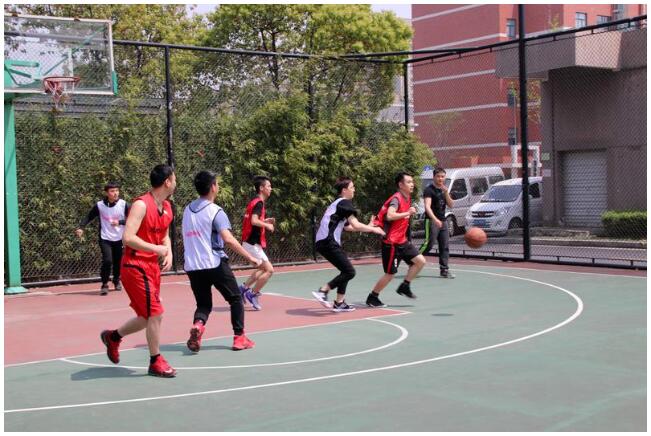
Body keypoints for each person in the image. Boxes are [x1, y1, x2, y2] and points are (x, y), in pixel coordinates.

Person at [99, 164, 177, 378]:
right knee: (156, 313)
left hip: (152, 267)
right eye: (174, 179)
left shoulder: (167, 207)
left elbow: (164, 234)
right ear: (167, 182)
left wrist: (168, 251)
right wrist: (156, 249)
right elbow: (128, 238)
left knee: (145, 317)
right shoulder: (141, 205)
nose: (176, 183)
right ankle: (155, 361)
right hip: (135, 266)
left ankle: (113, 337)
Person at [183, 170, 262, 354]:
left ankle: (198, 325)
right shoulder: (215, 211)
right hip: (214, 262)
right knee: (235, 298)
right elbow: (228, 239)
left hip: (193, 266)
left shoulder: (187, 210)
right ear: (213, 187)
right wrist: (250, 257)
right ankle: (239, 337)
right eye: (217, 183)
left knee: (203, 305)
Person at [312, 177, 385, 312]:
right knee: (350, 272)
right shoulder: (345, 202)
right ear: (344, 190)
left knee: (345, 271)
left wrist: (368, 226)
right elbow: (356, 224)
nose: (354, 190)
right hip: (328, 242)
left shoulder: (338, 204)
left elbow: (348, 227)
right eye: (352, 187)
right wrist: (374, 229)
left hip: (324, 242)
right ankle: (323, 290)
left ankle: (339, 303)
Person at [366, 172, 427, 308]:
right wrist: (408, 213)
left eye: (412, 182)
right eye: (409, 182)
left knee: (420, 261)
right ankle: (372, 297)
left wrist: (408, 212)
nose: (412, 184)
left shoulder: (407, 197)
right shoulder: (396, 199)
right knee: (390, 274)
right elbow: (390, 215)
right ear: (401, 185)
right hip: (391, 243)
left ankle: (405, 286)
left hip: (402, 241)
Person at [75, 182, 130, 295]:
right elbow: (89, 216)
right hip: (105, 238)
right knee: (107, 260)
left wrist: (120, 222)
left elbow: (133, 219)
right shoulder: (100, 205)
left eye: (117, 190)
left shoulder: (124, 204)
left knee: (118, 261)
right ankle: (104, 284)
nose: (115, 193)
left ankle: (116, 280)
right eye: (112, 191)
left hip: (120, 238)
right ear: (106, 193)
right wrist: (81, 227)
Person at [238, 176, 275, 311]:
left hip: (252, 243)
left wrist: (265, 220)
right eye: (268, 186)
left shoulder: (255, 202)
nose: (271, 188)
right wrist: (267, 225)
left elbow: (253, 221)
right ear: (261, 188)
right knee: (269, 270)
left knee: (262, 269)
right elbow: (254, 221)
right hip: (251, 243)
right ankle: (252, 294)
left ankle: (243, 288)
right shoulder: (259, 203)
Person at [419, 167, 455, 278]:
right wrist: (435, 220)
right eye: (438, 176)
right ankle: (414, 259)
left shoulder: (444, 190)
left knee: (444, 246)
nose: (440, 179)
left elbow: (451, 205)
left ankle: (444, 270)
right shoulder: (429, 190)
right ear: (434, 177)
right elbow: (427, 207)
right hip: (431, 221)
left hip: (443, 221)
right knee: (429, 244)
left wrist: (446, 192)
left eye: (442, 176)